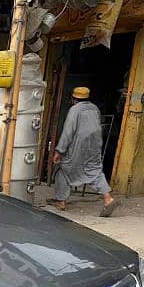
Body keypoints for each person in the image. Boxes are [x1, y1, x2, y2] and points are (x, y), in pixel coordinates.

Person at [51, 86, 118, 217]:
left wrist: (59, 150)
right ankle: (108, 198)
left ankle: (61, 201)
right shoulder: (94, 108)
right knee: (95, 170)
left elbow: (67, 132)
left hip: (78, 146)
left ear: (73, 99)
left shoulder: (74, 110)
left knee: (63, 169)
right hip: (94, 145)